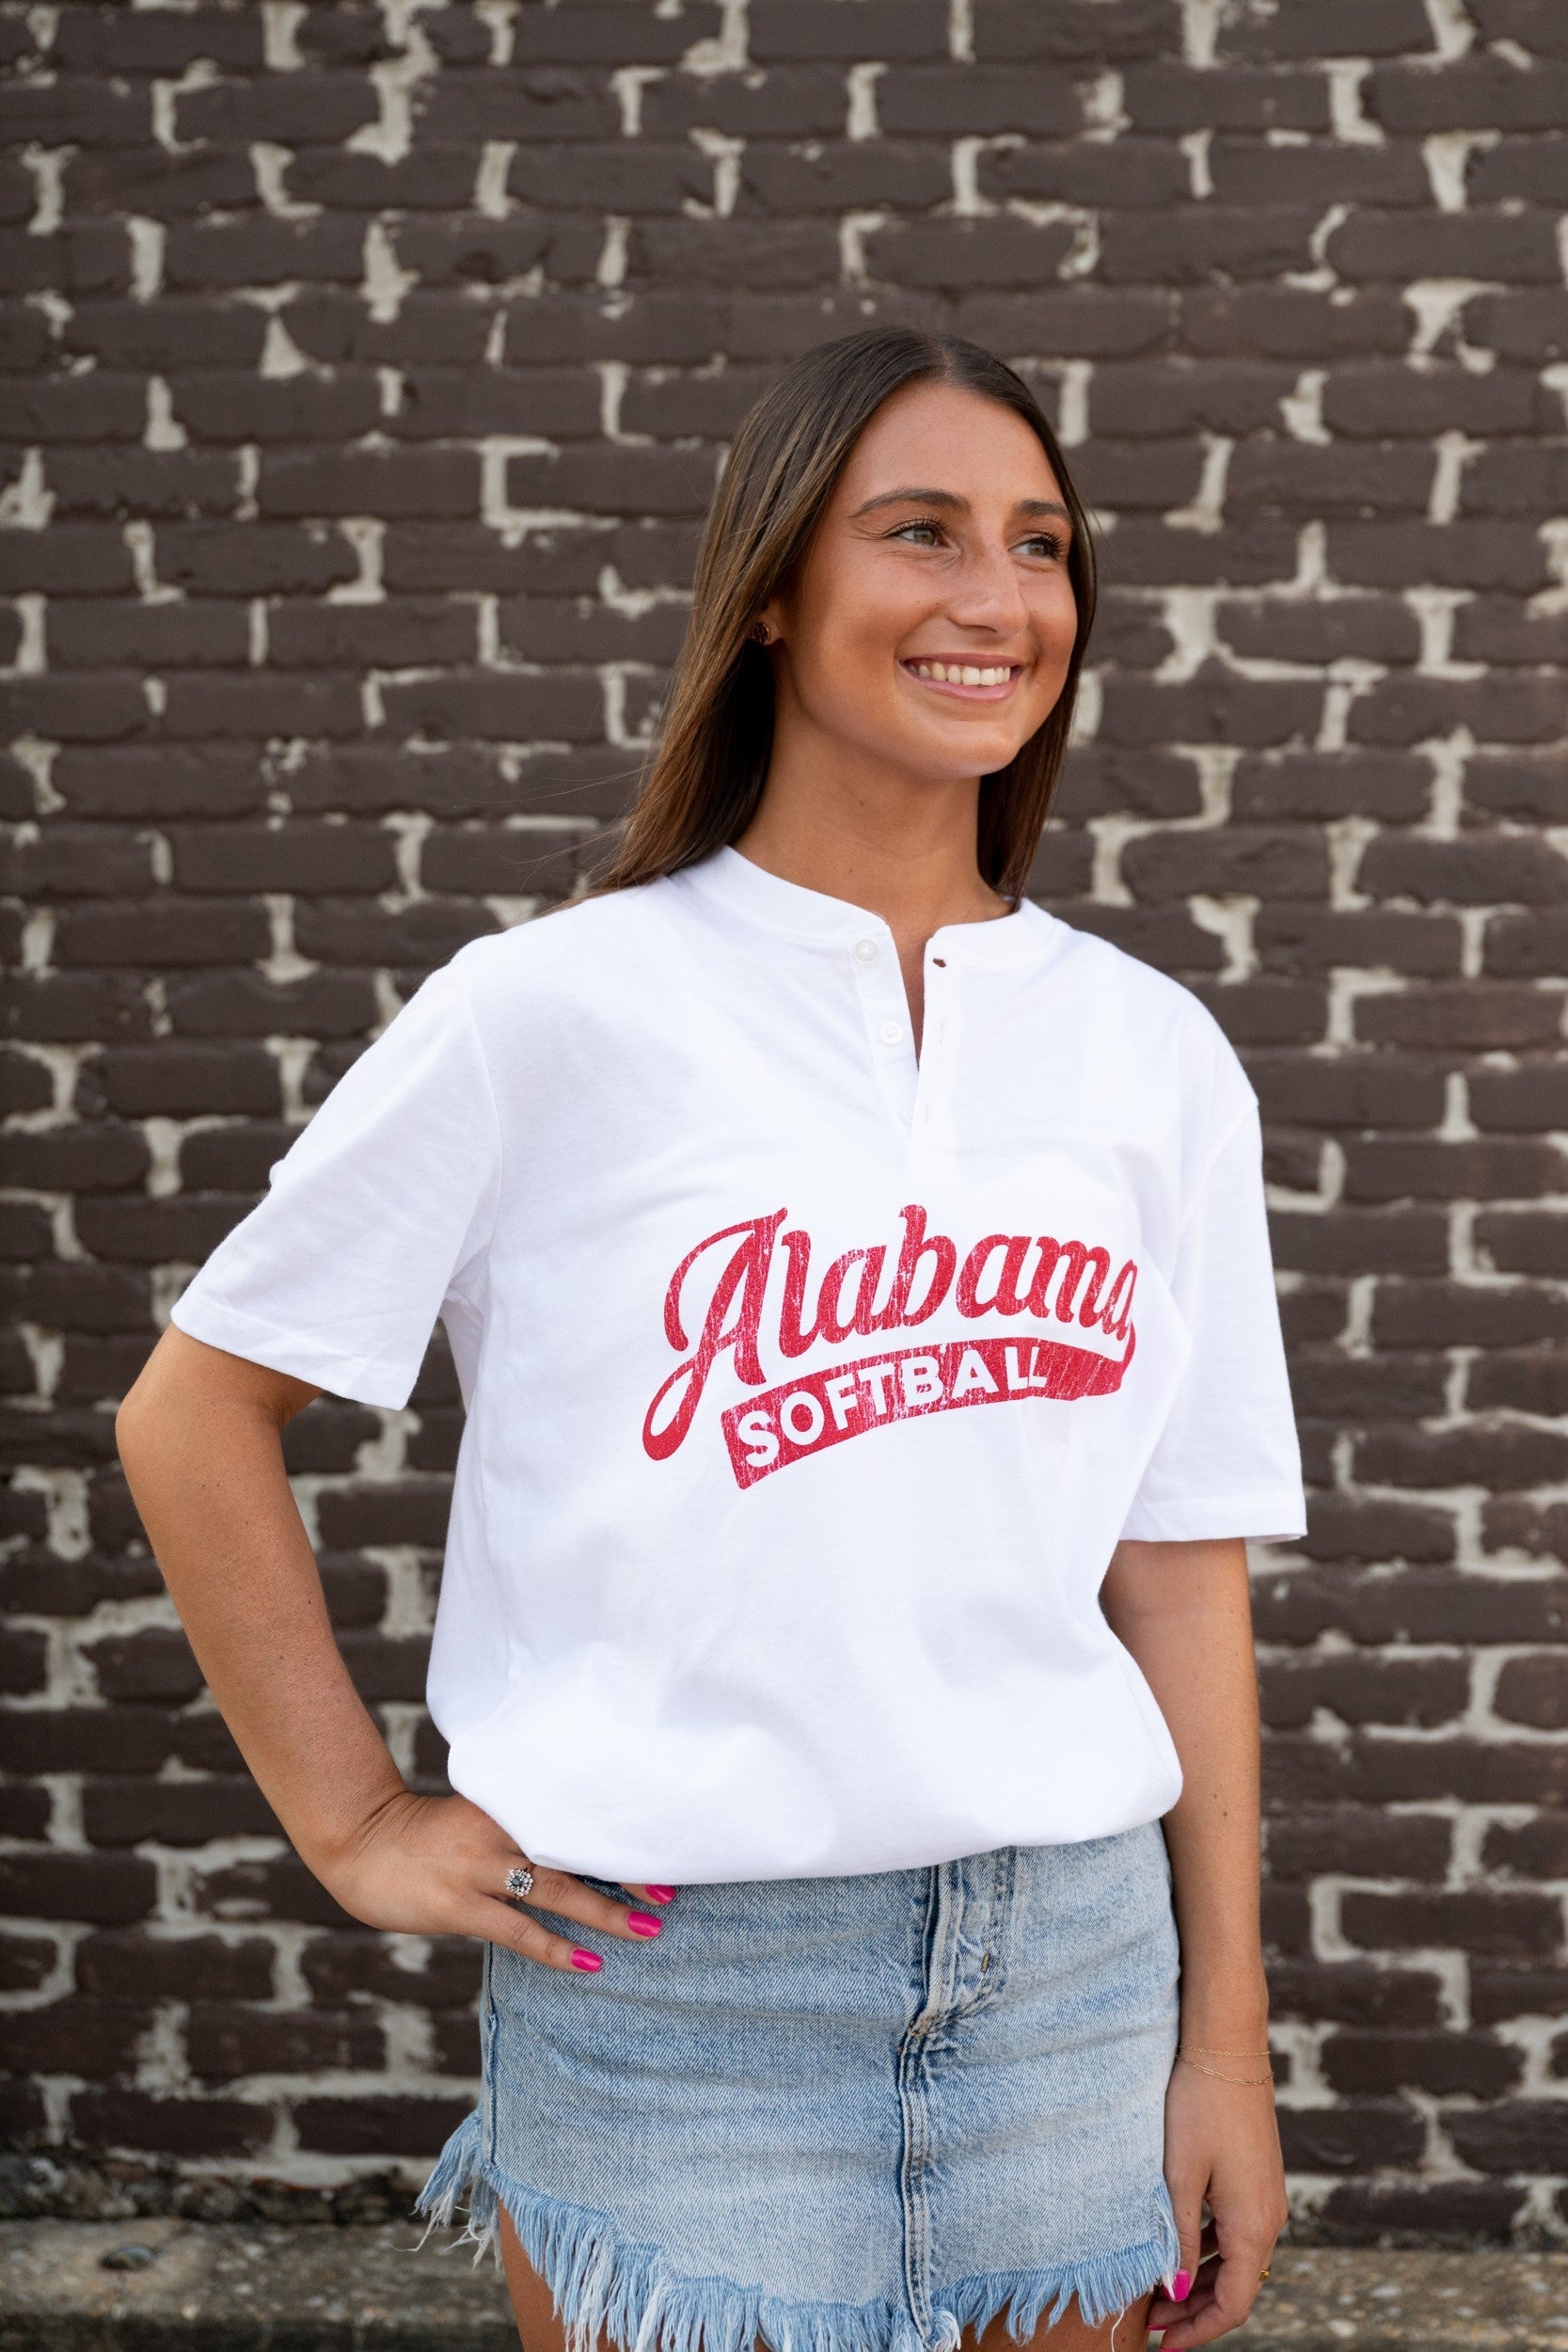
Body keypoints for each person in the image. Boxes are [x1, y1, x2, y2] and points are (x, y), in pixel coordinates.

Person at [116, 328, 1305, 2352]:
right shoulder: (557, 1010)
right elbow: (198, 1404)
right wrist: (355, 1815)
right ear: (772, 588)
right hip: (678, 1996)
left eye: (1040, 544)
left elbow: (1176, 1568)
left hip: (1073, 1983)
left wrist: (1230, 2031)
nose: (993, 597)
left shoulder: (1146, 1049)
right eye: (917, 531)